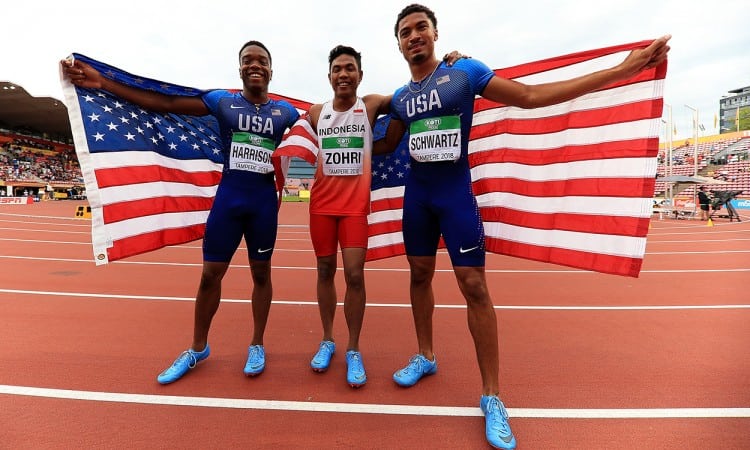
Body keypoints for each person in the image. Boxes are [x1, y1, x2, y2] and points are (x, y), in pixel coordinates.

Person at [381, 4, 671, 449]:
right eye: (405, 31)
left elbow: (531, 97)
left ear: (435, 34)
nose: (414, 35)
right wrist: (337, 120)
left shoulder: (465, 73)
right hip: (417, 201)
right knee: (419, 275)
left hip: (455, 196)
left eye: (421, 27)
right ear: (398, 43)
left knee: (474, 286)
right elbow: (383, 142)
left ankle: (493, 396)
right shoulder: (400, 97)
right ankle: (425, 355)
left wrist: (622, 70)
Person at [61, 40, 300, 384]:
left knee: (261, 275)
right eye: (248, 60)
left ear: (271, 70)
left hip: (262, 204)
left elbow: (325, 120)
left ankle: (257, 344)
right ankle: (198, 347)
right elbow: (167, 102)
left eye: (261, 61)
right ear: (240, 69)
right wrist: (104, 83)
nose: (255, 65)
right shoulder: (223, 101)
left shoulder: (286, 112)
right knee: (209, 275)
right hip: (229, 200)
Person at [275, 45, 464, 388]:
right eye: (337, 69)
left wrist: (449, 65)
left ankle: (353, 349)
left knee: (355, 276)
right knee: (324, 270)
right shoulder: (317, 113)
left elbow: (416, 92)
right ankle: (328, 339)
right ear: (329, 76)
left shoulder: (372, 104)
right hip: (321, 205)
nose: (343, 74)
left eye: (350, 68)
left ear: (360, 75)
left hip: (354, 208)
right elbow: (303, 148)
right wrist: (296, 193)